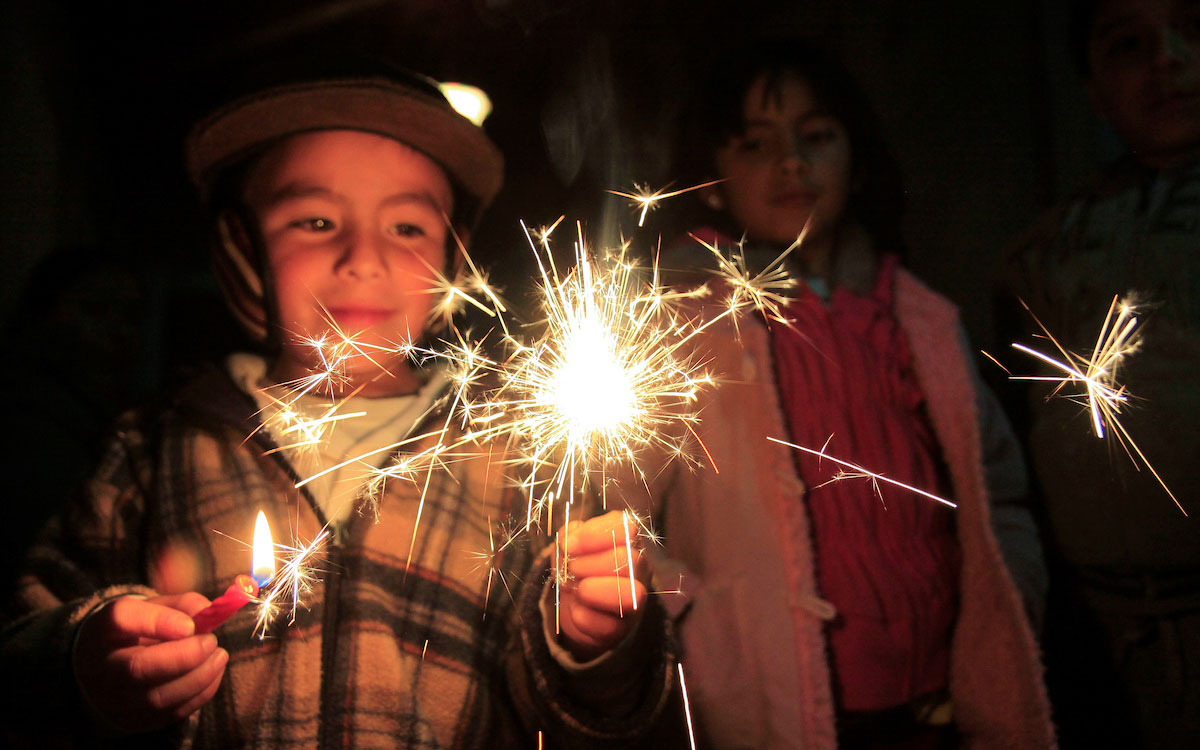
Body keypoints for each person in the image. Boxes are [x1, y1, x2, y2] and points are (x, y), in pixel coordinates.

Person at [0, 53, 680, 749]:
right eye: (316, 221)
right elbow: (22, 640)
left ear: (453, 262)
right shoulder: (157, 443)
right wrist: (88, 662)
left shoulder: (515, 461)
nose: (364, 255)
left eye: (408, 227)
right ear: (241, 250)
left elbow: (585, 717)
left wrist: (598, 648)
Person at [641, 39, 1054, 749]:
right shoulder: (686, 324)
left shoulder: (919, 320)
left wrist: (1006, 605)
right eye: (754, 143)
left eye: (817, 136)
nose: (791, 162)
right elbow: (616, 514)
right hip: (772, 711)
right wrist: (699, 628)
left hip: (939, 708)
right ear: (711, 179)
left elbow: (997, 497)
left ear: (856, 159)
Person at [1004, 1, 1200, 747]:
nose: (1167, 60)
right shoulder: (1044, 249)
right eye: (1127, 45)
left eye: (1193, 31)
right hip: (1106, 628)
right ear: (1093, 92)